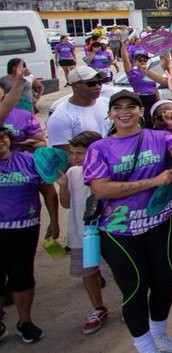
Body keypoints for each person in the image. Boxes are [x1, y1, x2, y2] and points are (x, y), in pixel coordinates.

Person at [84, 89, 172, 353]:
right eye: (118, 107)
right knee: (135, 288)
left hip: (160, 223)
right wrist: (153, 182)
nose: (125, 112)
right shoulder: (99, 148)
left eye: (131, 107)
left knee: (162, 282)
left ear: (140, 111)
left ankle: (159, 335)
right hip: (119, 232)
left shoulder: (160, 138)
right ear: (110, 114)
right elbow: (101, 188)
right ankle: (145, 350)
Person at [0, 124, 59, 344]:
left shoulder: (30, 161)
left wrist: (54, 221)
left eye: (3, 136)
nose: (0, 141)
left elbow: (49, 191)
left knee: (21, 274)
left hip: (24, 228)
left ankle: (25, 322)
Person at [56, 131, 110, 334]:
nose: (75, 158)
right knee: (89, 273)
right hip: (81, 234)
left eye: (80, 153)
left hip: (106, 231)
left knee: (115, 271)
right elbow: (66, 204)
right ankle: (98, 307)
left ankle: (128, 304)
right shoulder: (72, 173)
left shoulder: (109, 170)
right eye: (72, 153)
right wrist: (62, 187)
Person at [46, 66, 111, 151]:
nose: (98, 86)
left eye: (100, 82)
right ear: (75, 85)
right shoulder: (61, 116)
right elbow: (67, 155)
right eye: (91, 83)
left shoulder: (107, 103)